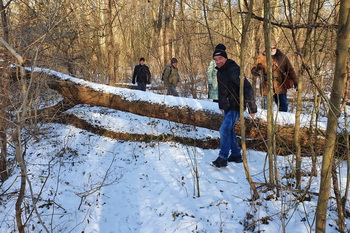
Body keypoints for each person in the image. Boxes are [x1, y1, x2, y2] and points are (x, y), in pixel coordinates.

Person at [211, 48, 257, 168]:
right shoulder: (220, 71)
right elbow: (222, 90)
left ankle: (223, 158)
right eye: (215, 60)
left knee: (224, 129)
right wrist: (221, 105)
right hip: (227, 106)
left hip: (236, 105)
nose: (218, 62)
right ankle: (236, 154)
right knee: (229, 130)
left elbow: (248, 88)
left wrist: (252, 108)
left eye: (220, 59)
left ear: (225, 58)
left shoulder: (234, 70)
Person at [251, 39, 298, 112]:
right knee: (266, 111)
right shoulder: (261, 57)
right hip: (266, 87)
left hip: (280, 87)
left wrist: (296, 82)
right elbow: (253, 71)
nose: (272, 50)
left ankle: (282, 123)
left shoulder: (282, 57)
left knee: (283, 109)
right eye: (270, 48)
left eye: (274, 48)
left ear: (276, 48)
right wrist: (258, 69)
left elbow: (290, 70)